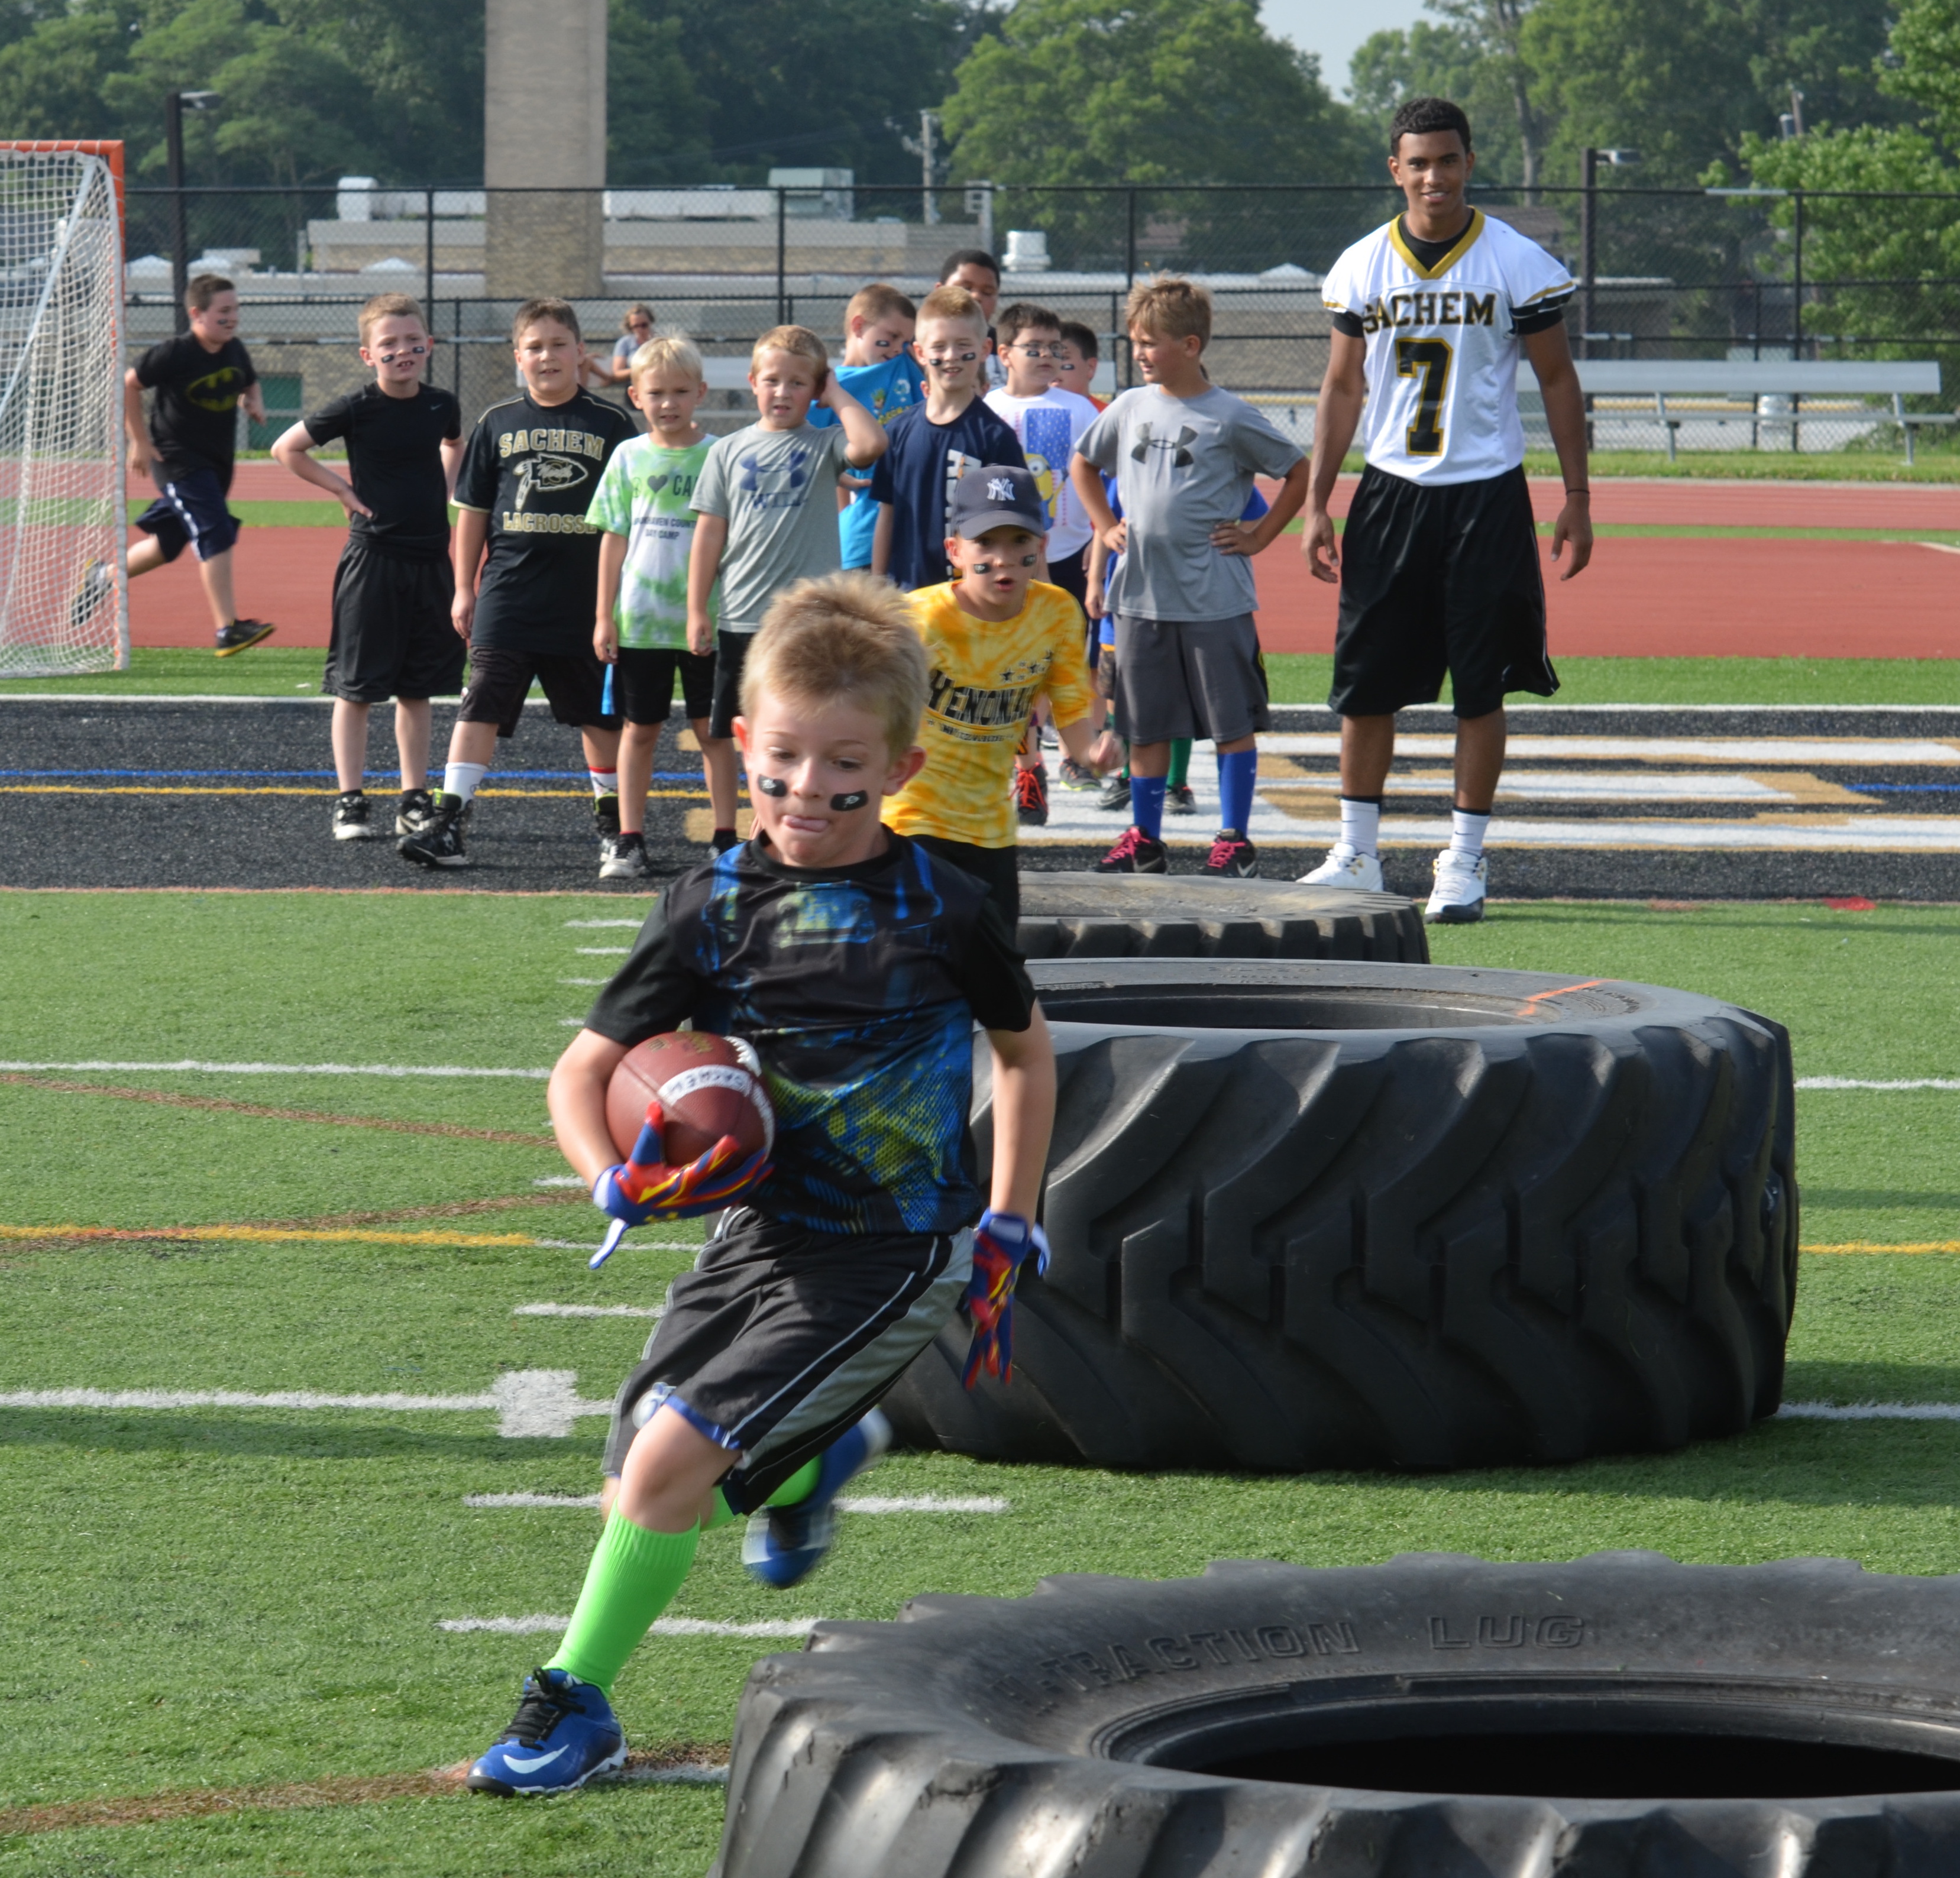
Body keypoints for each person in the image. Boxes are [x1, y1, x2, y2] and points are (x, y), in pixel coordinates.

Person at [464, 572, 1056, 1798]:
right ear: (741, 742)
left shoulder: (944, 905)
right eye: (781, 758)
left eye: (843, 765)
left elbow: (1023, 1054)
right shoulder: (710, 905)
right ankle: (812, 1461)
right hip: (758, 1237)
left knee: (663, 1472)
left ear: (899, 765)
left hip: (896, 1243)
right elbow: (582, 1074)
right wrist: (610, 1180)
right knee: (637, 1469)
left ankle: (573, 1704)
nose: (804, 789)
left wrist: (1010, 1213)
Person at [1299, 95, 1593, 925]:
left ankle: (1463, 859)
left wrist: (1575, 496)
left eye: (1447, 160)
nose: (1434, 176)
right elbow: (1341, 388)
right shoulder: (1362, 264)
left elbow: (1556, 379)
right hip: (1389, 489)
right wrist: (1317, 502)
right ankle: (1356, 853)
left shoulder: (1515, 261)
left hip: (1485, 494)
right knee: (1364, 684)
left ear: (1469, 162)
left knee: (1481, 685)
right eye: (1418, 162)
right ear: (1394, 169)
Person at [1070, 276, 1309, 878]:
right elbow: (1083, 463)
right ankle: (1144, 840)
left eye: (1150, 342)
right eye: (1135, 342)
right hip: (1140, 598)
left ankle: (1233, 841)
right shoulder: (1129, 406)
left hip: (1213, 601)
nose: (1140, 353)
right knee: (1145, 726)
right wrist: (1105, 525)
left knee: (1232, 725)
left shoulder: (1230, 415)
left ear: (1191, 344)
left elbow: (1297, 471)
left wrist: (1259, 537)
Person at [399, 297, 636, 870]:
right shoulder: (497, 422)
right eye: (535, 347)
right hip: (509, 593)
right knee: (480, 700)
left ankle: (614, 825)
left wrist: (617, 601)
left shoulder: (610, 424)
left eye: (558, 345)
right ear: (517, 357)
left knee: (598, 715)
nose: (547, 356)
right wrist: (464, 587)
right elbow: (473, 511)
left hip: (585, 600)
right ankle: (449, 820)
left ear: (581, 352)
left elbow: (630, 518)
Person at [886, 465, 1119, 923]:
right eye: (986, 542)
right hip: (910, 820)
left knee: (996, 959)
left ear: (1042, 546)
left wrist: (1091, 753)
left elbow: (1071, 709)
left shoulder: (1057, 613)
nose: (1003, 558)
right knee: (916, 953)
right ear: (954, 551)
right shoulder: (917, 619)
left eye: (1019, 541)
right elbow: (857, 712)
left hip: (991, 829)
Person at [687, 325, 887, 855]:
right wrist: (697, 609)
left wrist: (836, 392)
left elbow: (871, 444)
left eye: (799, 383)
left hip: (809, 625)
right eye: (772, 380)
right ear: (753, 382)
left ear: (816, 389)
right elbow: (709, 535)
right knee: (748, 736)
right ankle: (740, 831)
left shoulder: (825, 444)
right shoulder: (727, 451)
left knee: (803, 730)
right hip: (743, 618)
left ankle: (779, 829)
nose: (783, 392)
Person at [271, 293, 463, 843]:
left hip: (430, 560)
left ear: (429, 344)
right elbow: (287, 448)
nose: (403, 351)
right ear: (367, 354)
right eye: (389, 344)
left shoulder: (442, 404)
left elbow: (454, 443)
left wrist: (444, 489)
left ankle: (413, 798)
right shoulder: (356, 407)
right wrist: (341, 490)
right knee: (355, 688)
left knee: (418, 688)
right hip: (374, 560)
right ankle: (350, 800)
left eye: (413, 341)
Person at [586, 335, 735, 880]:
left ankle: (726, 839)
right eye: (656, 393)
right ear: (635, 396)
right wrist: (604, 615)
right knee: (639, 730)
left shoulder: (721, 455)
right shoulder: (628, 456)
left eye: (679, 392)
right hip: (640, 622)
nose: (668, 403)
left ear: (701, 393)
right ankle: (629, 840)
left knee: (713, 733)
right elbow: (614, 539)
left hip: (707, 623)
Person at [984, 302, 1102, 820]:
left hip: (1072, 552)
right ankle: (1028, 768)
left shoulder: (1080, 409)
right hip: (1010, 559)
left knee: (1069, 664)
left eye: (1055, 348)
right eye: (1034, 348)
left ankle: (1077, 754)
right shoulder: (987, 409)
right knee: (1015, 668)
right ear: (1004, 353)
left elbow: (1106, 480)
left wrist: (1100, 537)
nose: (1047, 356)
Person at [119, 273, 275, 656]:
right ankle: (228, 628)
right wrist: (139, 440)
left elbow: (249, 381)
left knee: (169, 543)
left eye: (235, 310)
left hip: (217, 464)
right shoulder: (175, 352)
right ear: (197, 314)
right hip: (176, 460)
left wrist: (254, 400)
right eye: (224, 311)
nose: (232, 318)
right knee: (214, 530)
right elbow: (129, 383)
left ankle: (103, 577)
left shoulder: (234, 349)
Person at [868, 285, 1023, 595]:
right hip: (907, 602)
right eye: (939, 347)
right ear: (920, 353)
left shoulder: (997, 438)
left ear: (985, 349)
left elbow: (1016, 528)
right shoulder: (897, 432)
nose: (951, 356)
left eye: (963, 345)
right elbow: (887, 515)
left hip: (973, 601)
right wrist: (876, 587)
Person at [808, 282, 922, 570]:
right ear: (858, 326)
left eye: (905, 341)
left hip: (914, 535)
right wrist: (833, 473)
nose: (898, 348)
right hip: (861, 537)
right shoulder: (830, 388)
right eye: (892, 337)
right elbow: (799, 446)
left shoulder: (905, 367)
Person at [938, 248, 1005, 388]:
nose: (976, 297)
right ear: (939, 291)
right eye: (966, 289)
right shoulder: (908, 349)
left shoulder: (1009, 349)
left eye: (987, 292)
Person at [1055, 321, 1108, 410]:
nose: (1053, 365)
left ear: (1090, 367)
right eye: (1050, 358)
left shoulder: (1107, 415)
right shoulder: (1033, 412)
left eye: (1063, 358)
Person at [606, 305, 657, 386]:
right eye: (636, 326)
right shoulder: (625, 343)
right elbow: (617, 373)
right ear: (630, 328)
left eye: (644, 325)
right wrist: (641, 369)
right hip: (634, 385)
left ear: (650, 322)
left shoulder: (659, 341)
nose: (640, 330)